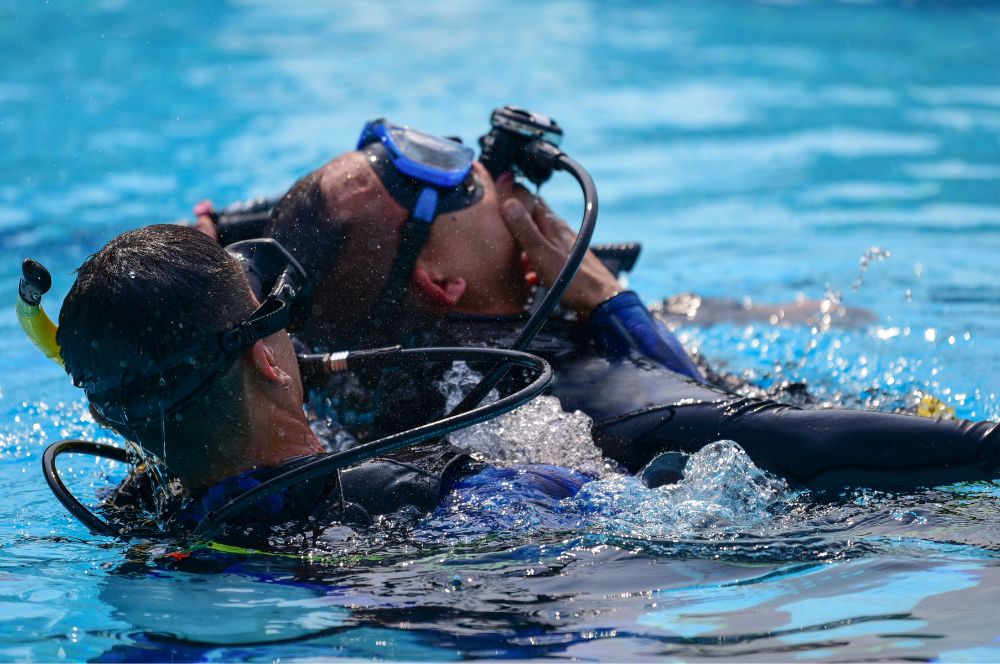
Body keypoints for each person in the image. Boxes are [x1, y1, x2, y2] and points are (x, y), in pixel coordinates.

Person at [257, 132, 1000, 492]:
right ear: (442, 282)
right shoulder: (575, 394)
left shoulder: (358, 377)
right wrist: (616, 307)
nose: (493, 173)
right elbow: (751, 431)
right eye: (463, 186)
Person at [55, 224, 586, 537]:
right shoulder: (428, 492)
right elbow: (620, 507)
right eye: (276, 317)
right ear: (267, 360)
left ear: (104, 417)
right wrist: (611, 305)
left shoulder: (143, 521)